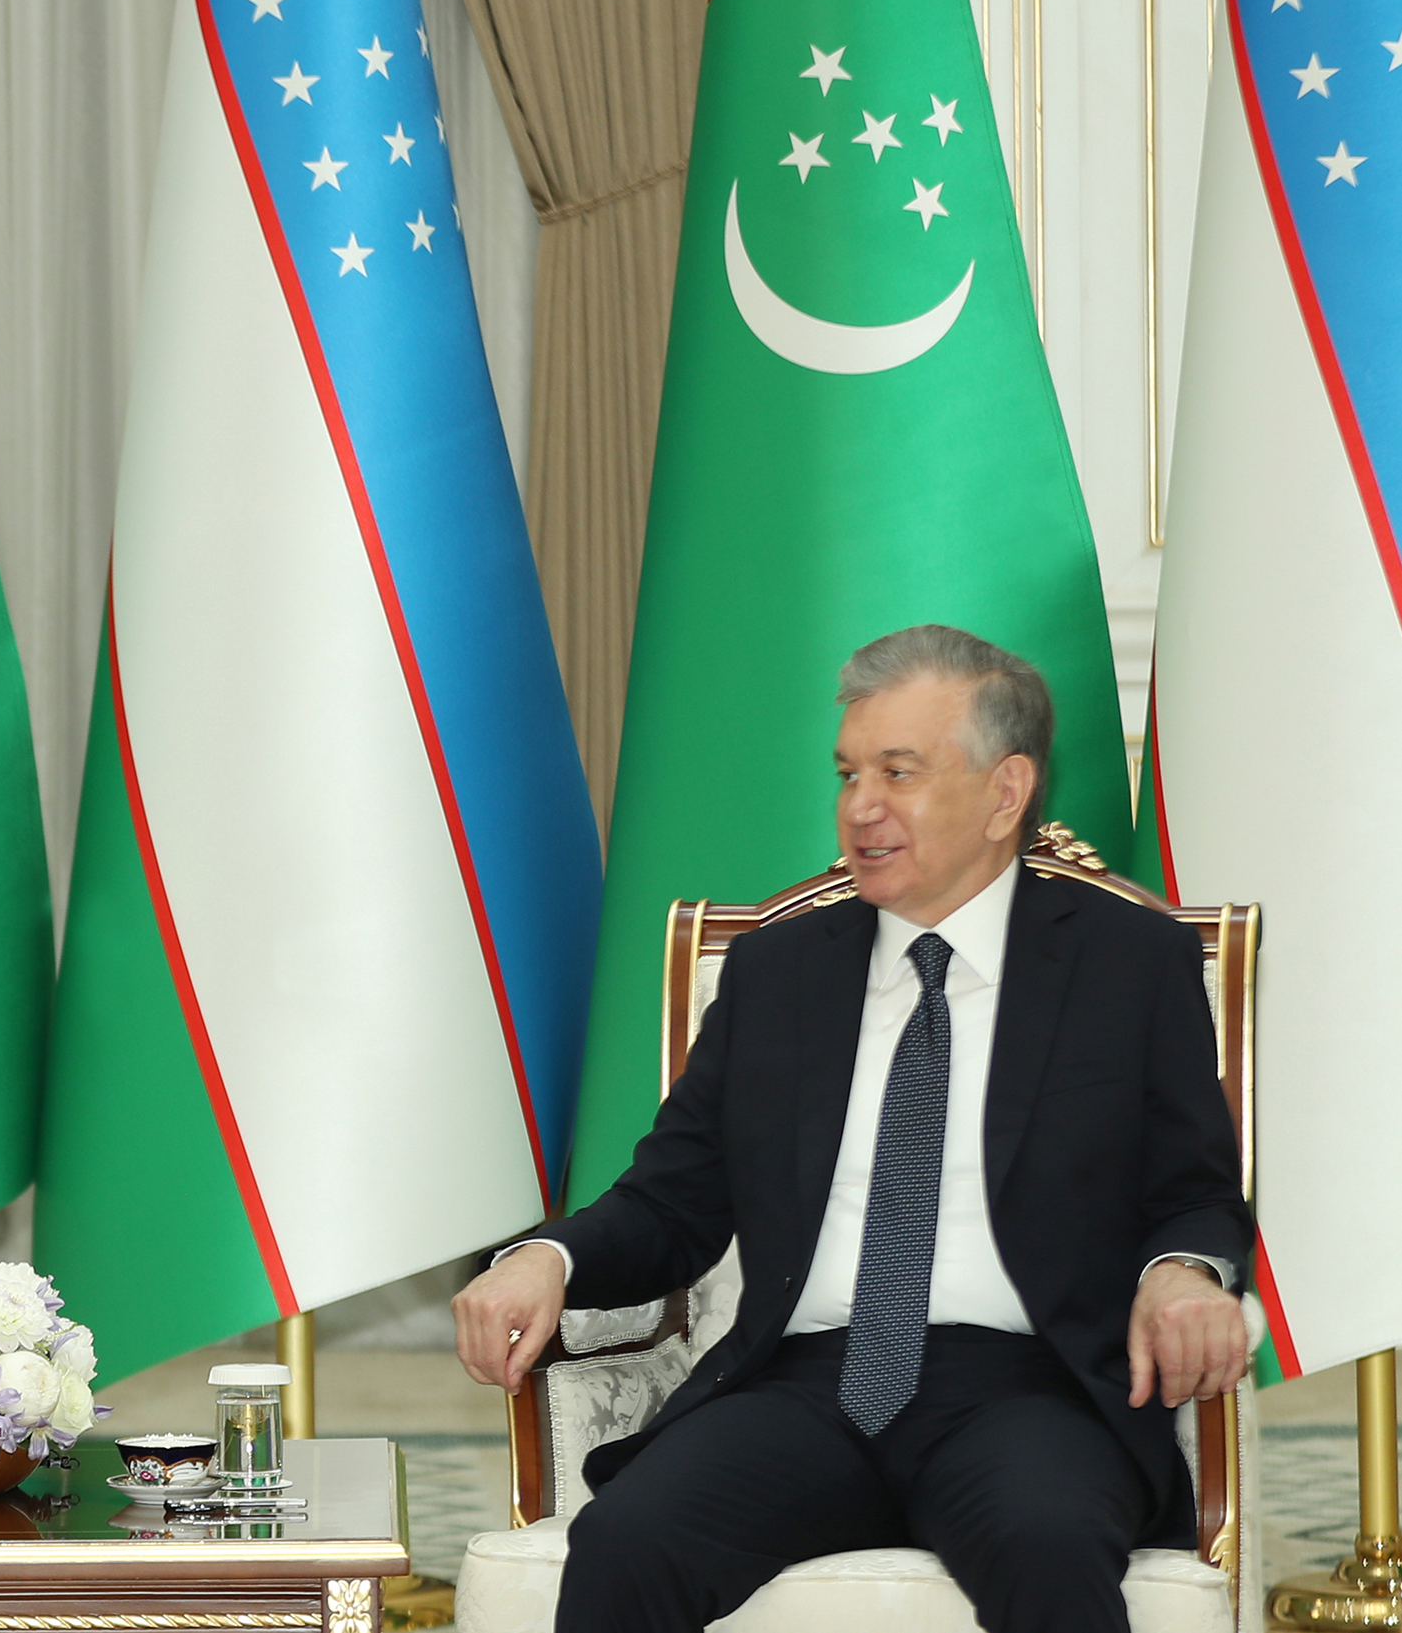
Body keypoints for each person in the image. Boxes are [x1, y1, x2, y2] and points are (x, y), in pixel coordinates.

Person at [451, 624, 1251, 1633]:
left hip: (1028, 1388)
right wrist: (547, 1257)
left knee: (1047, 1543)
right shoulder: (776, 973)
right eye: (848, 772)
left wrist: (1182, 1270)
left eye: (897, 772)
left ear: (1004, 791)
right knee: (628, 1539)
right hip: (805, 1383)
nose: (860, 805)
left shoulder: (1126, 962)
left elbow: (1193, 1188)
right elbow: (670, 1201)